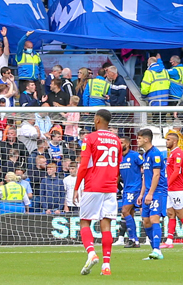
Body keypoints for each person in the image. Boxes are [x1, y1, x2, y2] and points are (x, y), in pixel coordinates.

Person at [74, 108, 122, 276]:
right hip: (110, 187)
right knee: (106, 225)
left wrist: (76, 187)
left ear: (97, 120)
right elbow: (117, 167)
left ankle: (91, 253)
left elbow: (83, 165)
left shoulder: (90, 138)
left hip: (93, 185)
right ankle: (106, 266)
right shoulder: (116, 140)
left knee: (85, 221)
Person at [138, 127, 168, 260]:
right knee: (146, 221)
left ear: (146, 139)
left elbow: (156, 175)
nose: (137, 140)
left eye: (139, 138)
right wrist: (142, 193)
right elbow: (146, 176)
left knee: (154, 218)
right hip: (148, 192)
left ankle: (157, 249)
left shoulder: (156, 154)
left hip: (158, 192)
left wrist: (150, 194)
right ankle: (154, 250)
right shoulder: (145, 155)